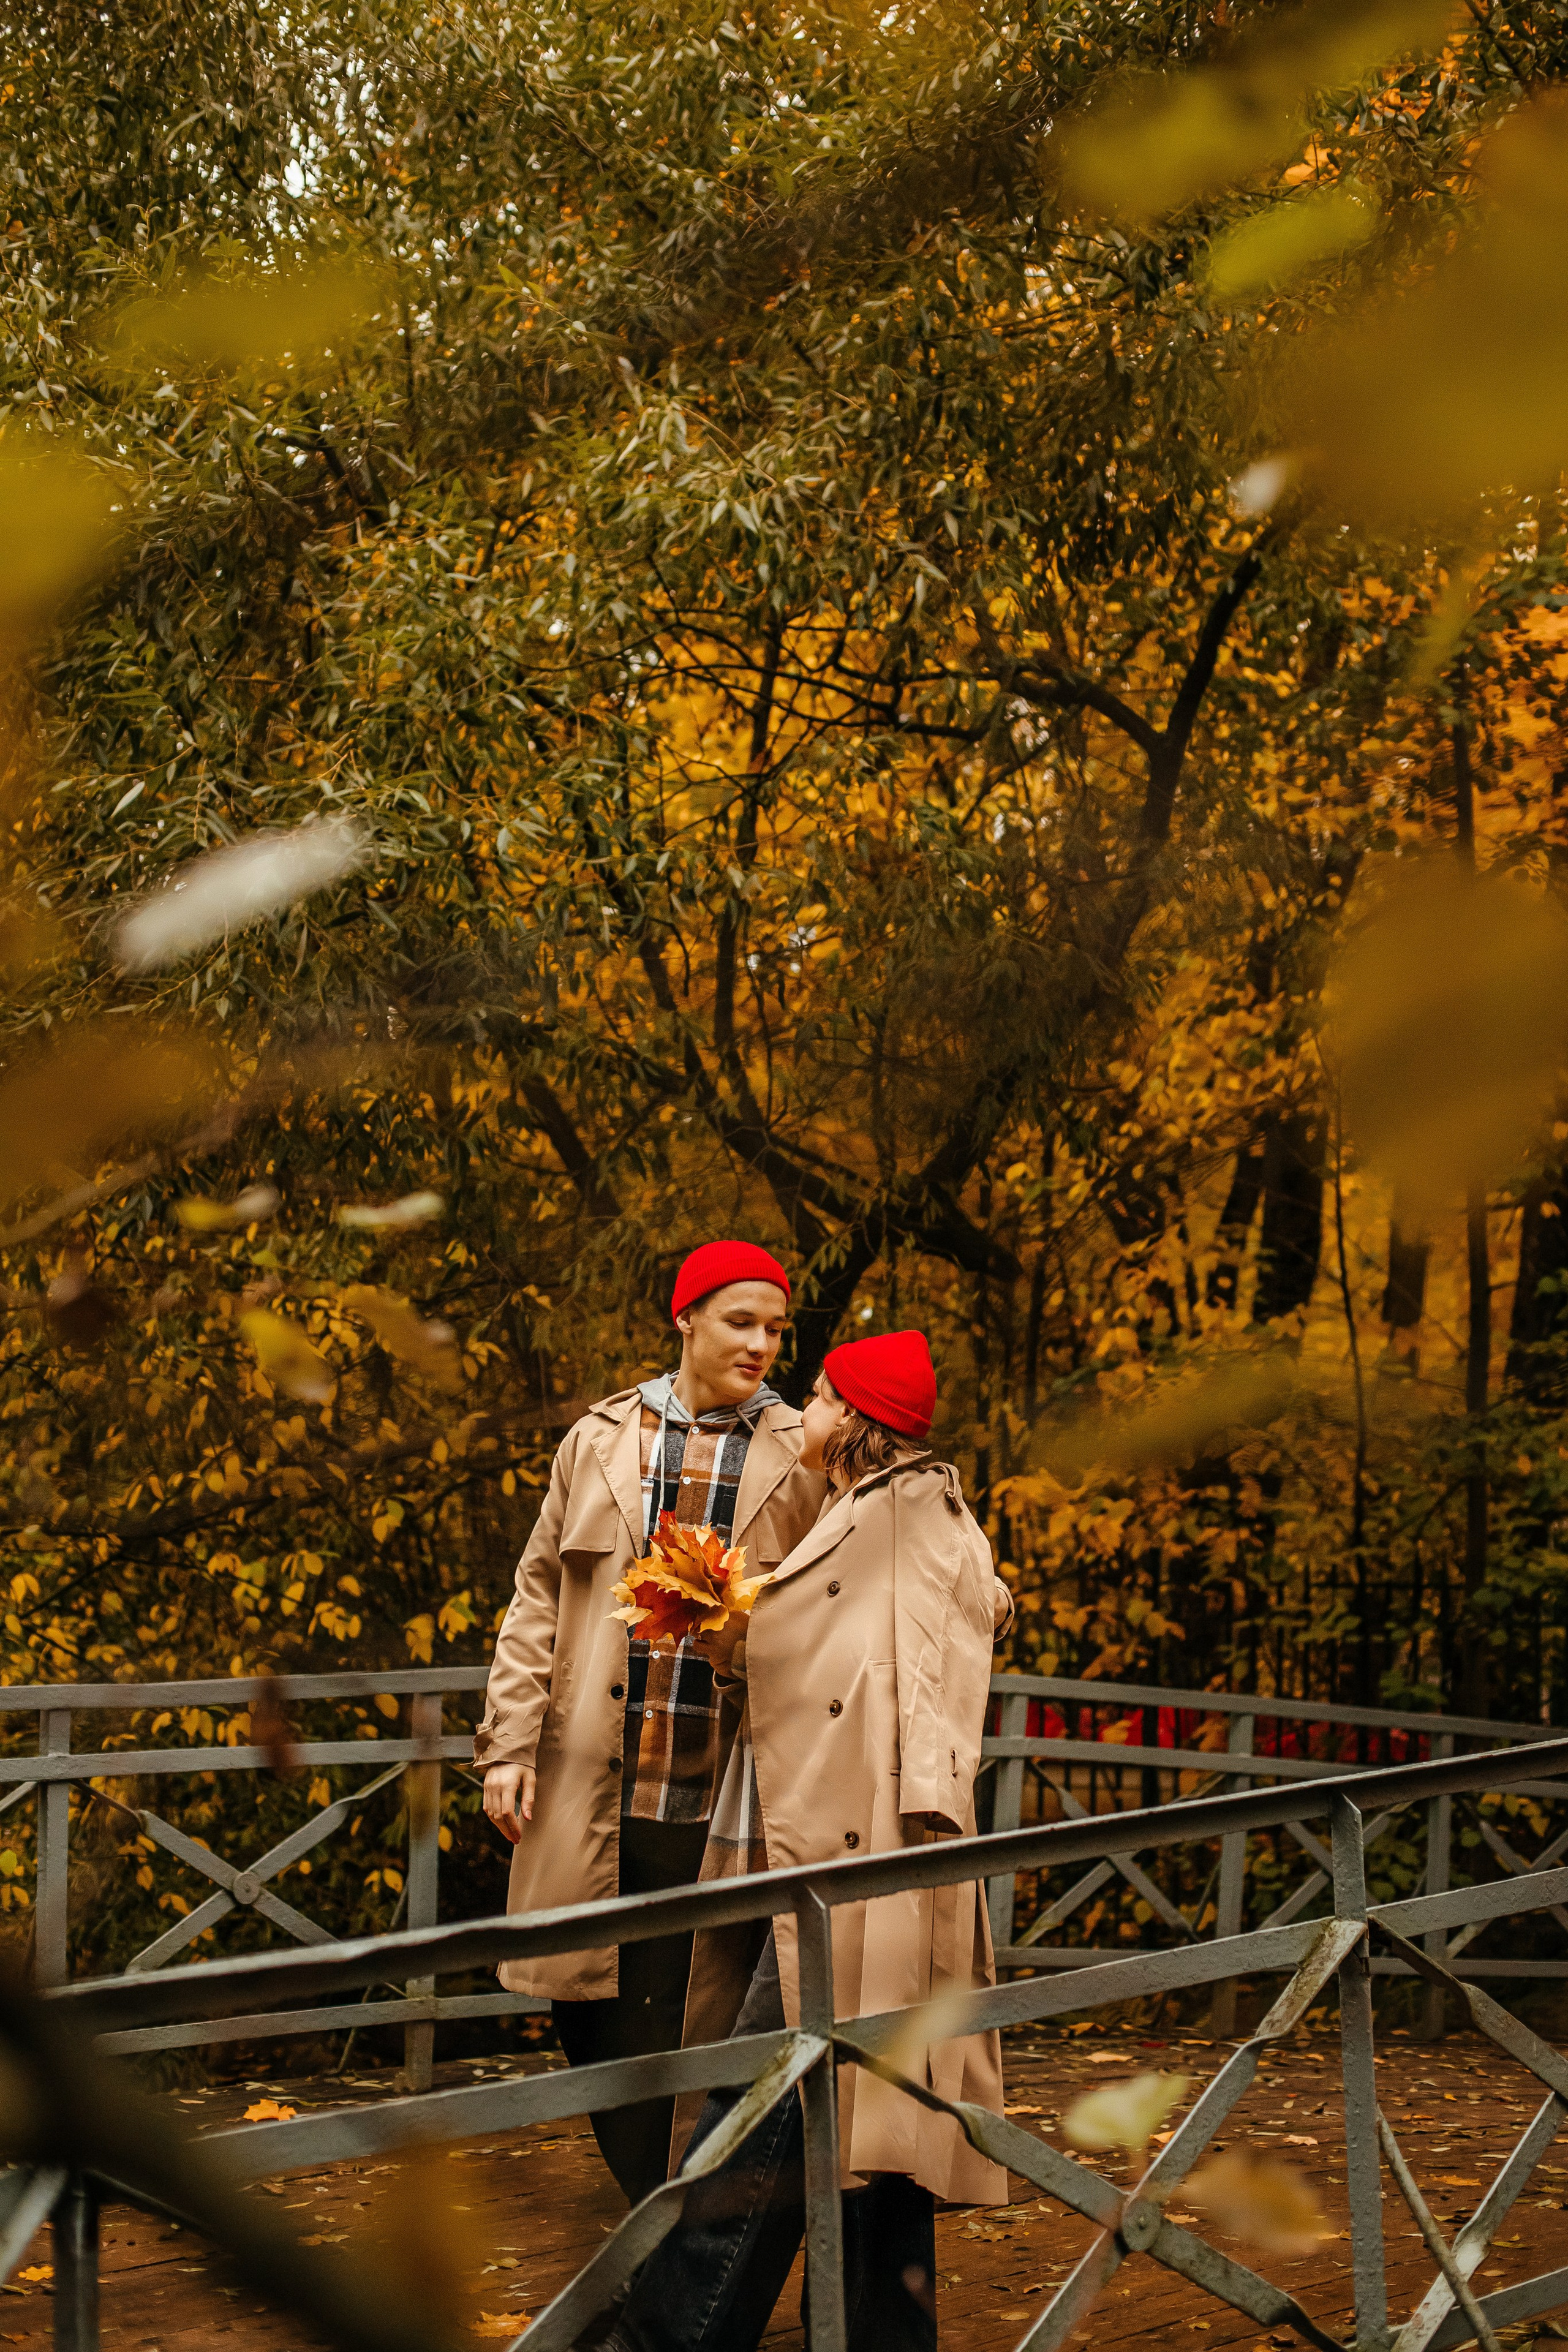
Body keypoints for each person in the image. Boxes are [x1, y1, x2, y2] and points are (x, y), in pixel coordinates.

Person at [600, 1329, 1010, 2352]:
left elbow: (941, 1668)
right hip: (837, 1846)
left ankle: (674, 2329)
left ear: (861, 1422)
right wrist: (723, 1620)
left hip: (866, 1855)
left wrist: (925, 1819)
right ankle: (884, 2335)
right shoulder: (866, 1514)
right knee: (871, 2109)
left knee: (770, 2083)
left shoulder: (915, 1519)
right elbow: (827, 1657)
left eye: (823, 1399)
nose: (807, 1412)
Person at [476, 1240, 827, 2206]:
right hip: (594, 1781)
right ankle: (654, 2220)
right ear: (687, 1319)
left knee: (696, 2025)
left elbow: (875, 1565)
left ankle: (668, 2250)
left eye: (775, 1329)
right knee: (584, 2007)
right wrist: (506, 1745)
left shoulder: (807, 1446)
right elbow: (536, 1598)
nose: (762, 1345)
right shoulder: (597, 1440)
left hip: (724, 1794)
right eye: (741, 1322)